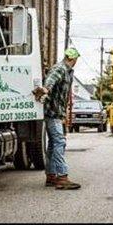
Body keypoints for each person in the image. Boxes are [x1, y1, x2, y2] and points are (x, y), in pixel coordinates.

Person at [33, 48, 81, 190]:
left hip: (56, 113)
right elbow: (50, 80)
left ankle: (51, 175)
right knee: (60, 141)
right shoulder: (60, 68)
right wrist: (46, 89)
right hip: (52, 113)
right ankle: (62, 177)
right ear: (74, 59)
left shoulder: (67, 71)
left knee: (53, 144)